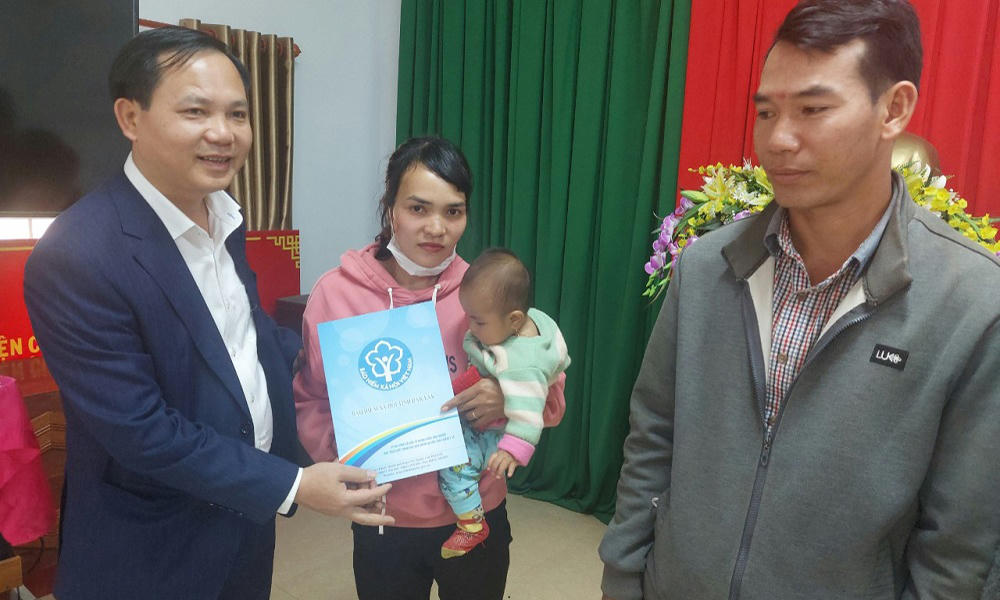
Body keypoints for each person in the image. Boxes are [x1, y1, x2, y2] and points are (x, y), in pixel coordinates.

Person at [598, 1, 1000, 598]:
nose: (778, 139)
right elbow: (653, 435)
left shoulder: (972, 301)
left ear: (894, 109)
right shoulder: (708, 267)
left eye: (813, 109)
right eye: (766, 112)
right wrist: (624, 574)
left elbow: (960, 542)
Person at [23, 27, 393, 600]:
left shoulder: (223, 214)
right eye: (196, 111)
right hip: (150, 547)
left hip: (243, 525)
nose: (224, 134)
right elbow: (142, 431)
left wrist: (351, 369)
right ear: (130, 117)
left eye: (238, 114)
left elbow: (241, 336)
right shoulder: (78, 254)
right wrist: (292, 485)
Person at [293, 136, 567, 600]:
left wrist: (505, 397)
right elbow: (313, 399)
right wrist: (350, 455)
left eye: (453, 211)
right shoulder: (336, 296)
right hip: (384, 520)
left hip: (475, 514)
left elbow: (549, 394)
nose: (436, 228)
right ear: (390, 208)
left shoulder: (484, 293)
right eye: (418, 208)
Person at [437, 248, 571, 559]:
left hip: (495, 433)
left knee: (455, 467)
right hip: (483, 410)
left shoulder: (521, 366)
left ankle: (471, 524)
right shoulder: (526, 324)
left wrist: (513, 449)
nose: (470, 327)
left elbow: (528, 412)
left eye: (478, 321)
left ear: (514, 320)